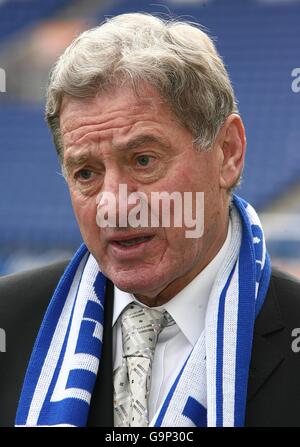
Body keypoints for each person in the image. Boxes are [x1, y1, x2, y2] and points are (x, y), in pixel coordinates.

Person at [0, 12, 300, 428]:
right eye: (86, 172)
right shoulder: (7, 322)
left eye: (143, 160)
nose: (114, 205)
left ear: (227, 152)